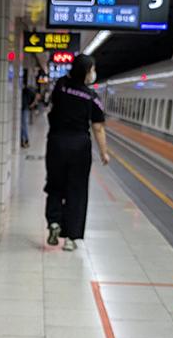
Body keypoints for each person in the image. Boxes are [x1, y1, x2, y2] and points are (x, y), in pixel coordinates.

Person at [44, 54, 109, 251]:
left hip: (56, 143)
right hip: (80, 147)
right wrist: (104, 152)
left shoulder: (61, 85)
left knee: (55, 185)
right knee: (77, 191)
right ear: (87, 72)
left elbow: (53, 106)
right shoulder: (92, 98)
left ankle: (54, 221)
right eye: (92, 69)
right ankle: (71, 238)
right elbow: (98, 127)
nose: (93, 73)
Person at [20, 83, 38, 148]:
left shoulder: (27, 90)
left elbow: (36, 96)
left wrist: (31, 105)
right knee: (22, 125)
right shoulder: (22, 90)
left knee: (24, 125)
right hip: (23, 109)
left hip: (25, 109)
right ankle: (22, 140)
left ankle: (26, 140)